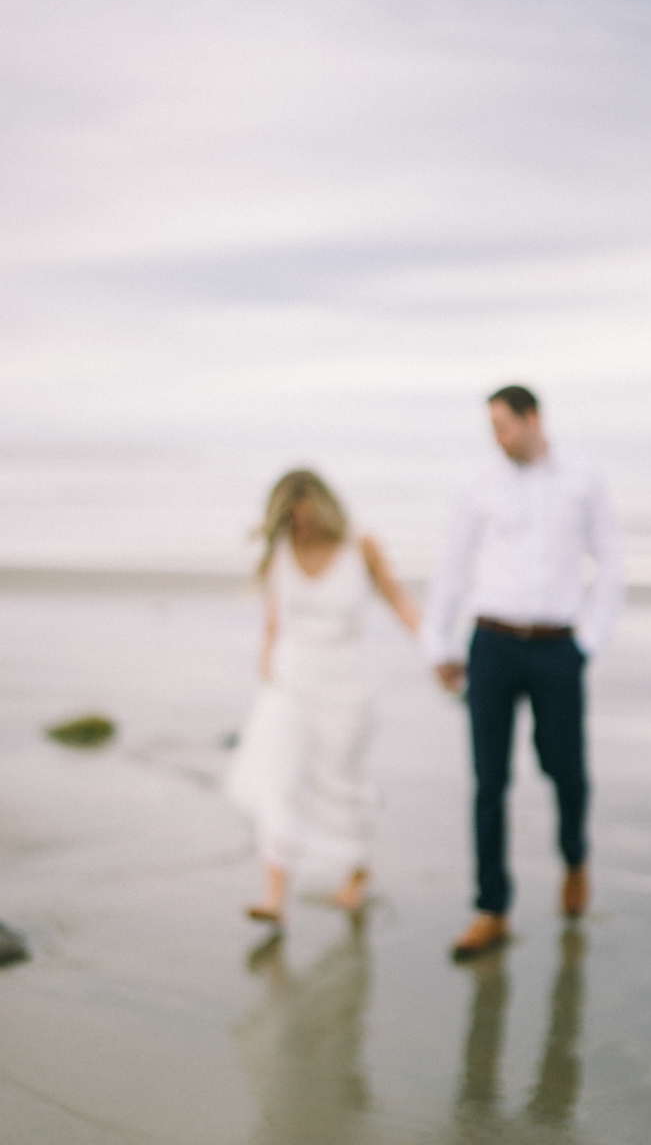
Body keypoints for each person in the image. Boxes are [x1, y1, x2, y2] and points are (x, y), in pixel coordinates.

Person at [421, 386, 623, 960]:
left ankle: (574, 858)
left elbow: (611, 560)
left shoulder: (582, 476)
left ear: (533, 419)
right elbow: (451, 565)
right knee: (489, 780)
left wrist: (590, 640)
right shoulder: (476, 484)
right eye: (492, 427)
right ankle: (491, 908)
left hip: (558, 646)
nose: (498, 437)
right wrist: (437, 642)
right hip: (492, 643)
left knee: (565, 769)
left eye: (505, 425)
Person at [228, 470, 419, 928]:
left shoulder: (361, 547)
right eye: (292, 520)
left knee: (341, 782)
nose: (302, 527)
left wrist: (435, 649)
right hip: (290, 682)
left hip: (348, 685)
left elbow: (397, 599)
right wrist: (266, 661)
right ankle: (274, 895)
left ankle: (357, 869)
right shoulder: (280, 551)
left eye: (308, 516)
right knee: (279, 779)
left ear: (326, 509)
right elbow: (274, 616)